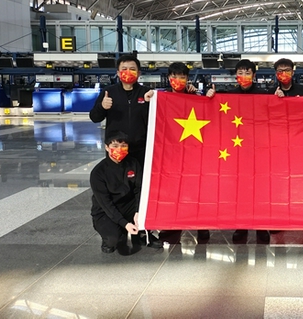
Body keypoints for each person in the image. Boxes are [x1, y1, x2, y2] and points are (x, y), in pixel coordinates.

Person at [165, 62, 215, 243]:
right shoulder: (161, 98)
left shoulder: (194, 97)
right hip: (171, 154)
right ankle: (172, 229)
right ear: (168, 78)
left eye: (182, 77)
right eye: (174, 76)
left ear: (187, 79)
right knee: (172, 191)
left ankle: (202, 226)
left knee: (197, 189)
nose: (178, 80)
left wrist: (208, 97)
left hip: (194, 154)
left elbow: (211, 113)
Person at [90, 131, 161, 254]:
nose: (119, 149)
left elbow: (139, 189)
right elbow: (106, 203)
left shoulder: (133, 163)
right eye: (115, 146)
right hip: (106, 211)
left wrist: (139, 211)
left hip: (128, 205)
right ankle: (112, 235)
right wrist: (125, 224)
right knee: (113, 239)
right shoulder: (98, 172)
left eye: (123, 146)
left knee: (150, 206)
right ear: (107, 147)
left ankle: (142, 234)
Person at [230, 59, 270, 244]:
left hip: (259, 150)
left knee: (261, 190)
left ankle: (262, 226)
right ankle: (241, 226)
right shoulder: (228, 96)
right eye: (240, 73)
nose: (243, 76)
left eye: (247, 73)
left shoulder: (265, 95)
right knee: (241, 190)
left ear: (254, 75)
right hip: (237, 151)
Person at [89, 54, 153, 168]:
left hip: (141, 149)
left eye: (132, 69)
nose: (128, 72)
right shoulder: (109, 92)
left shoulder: (147, 93)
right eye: (124, 69)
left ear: (139, 73)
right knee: (116, 177)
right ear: (118, 73)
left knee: (140, 177)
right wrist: (102, 107)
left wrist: (150, 103)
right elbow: (94, 117)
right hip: (117, 149)